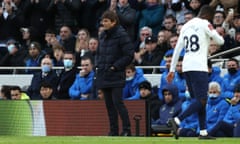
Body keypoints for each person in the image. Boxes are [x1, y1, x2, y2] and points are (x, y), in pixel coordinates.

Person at [166, 5, 224, 139]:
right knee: (202, 100)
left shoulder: (185, 26)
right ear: (208, 16)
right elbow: (220, 41)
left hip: (186, 66)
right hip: (199, 66)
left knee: (198, 100)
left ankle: (203, 132)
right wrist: (212, 37)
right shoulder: (205, 24)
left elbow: (177, 49)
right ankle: (176, 120)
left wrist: (172, 69)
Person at [95, 10, 134, 136]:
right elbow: (99, 53)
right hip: (104, 74)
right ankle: (113, 131)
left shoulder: (122, 35)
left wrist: (115, 67)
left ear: (113, 22)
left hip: (116, 74)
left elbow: (129, 55)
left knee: (118, 103)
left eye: (106, 21)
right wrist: (99, 65)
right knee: (109, 105)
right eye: (103, 21)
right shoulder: (102, 35)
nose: (103, 23)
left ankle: (127, 129)